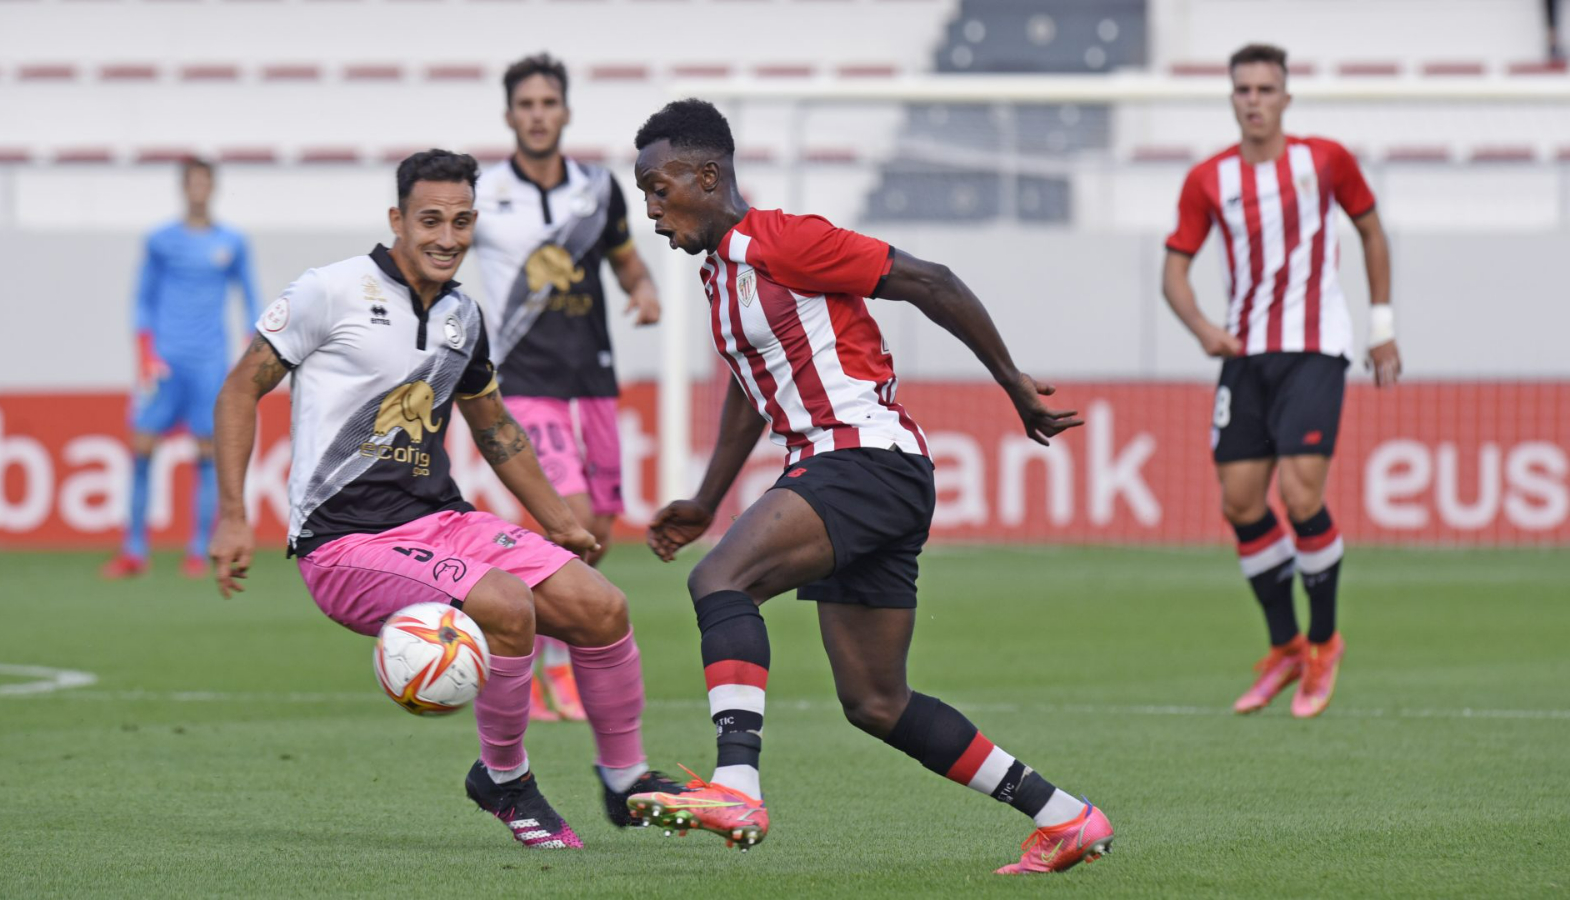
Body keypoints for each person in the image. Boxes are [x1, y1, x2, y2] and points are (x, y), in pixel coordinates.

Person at [622, 99, 1114, 875]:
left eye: (659, 187)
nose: (651, 210)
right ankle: (1065, 818)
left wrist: (1013, 383)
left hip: (863, 460)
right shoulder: (724, 273)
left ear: (708, 175)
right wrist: (709, 497)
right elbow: (755, 387)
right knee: (876, 703)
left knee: (722, 579)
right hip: (862, 473)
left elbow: (930, 280)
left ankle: (735, 785)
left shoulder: (785, 240)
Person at [208, 150, 684, 851]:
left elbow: (494, 428)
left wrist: (562, 525)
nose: (447, 237)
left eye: (462, 222)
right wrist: (232, 515)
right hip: (344, 545)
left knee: (602, 606)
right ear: (397, 220)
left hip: (443, 522)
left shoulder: (464, 316)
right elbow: (239, 389)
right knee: (506, 606)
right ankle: (505, 778)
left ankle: (626, 780)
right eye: (430, 220)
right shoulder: (330, 291)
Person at [1161, 44, 1400, 719]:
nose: (1255, 99)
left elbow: (1371, 232)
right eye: (1244, 89)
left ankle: (1324, 642)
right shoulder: (1209, 178)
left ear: (1286, 97)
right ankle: (1286, 647)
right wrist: (1203, 327)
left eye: (1267, 88)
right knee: (1240, 503)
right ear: (1232, 98)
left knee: (1300, 491)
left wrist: (1381, 324)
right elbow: (1173, 270)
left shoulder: (1323, 160)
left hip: (1315, 345)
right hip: (1244, 352)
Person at [471, 54, 661, 724]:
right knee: (569, 514)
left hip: (594, 379)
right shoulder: (483, 194)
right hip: (521, 380)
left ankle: (549, 652)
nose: (538, 115)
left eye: (548, 103)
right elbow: (435, 256)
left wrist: (643, 290)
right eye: (526, 105)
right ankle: (549, 667)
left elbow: (624, 260)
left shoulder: (597, 189)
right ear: (510, 116)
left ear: (565, 111)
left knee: (600, 530)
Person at [101, 157, 259, 579]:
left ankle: (197, 550)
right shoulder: (160, 240)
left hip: (208, 362)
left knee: (208, 455)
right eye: (192, 182)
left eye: (205, 182)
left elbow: (251, 298)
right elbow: (142, 299)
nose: (198, 189)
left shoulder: (233, 242)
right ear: (183, 187)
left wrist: (250, 351)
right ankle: (134, 551)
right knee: (140, 450)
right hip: (165, 361)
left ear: (213, 187)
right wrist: (145, 354)